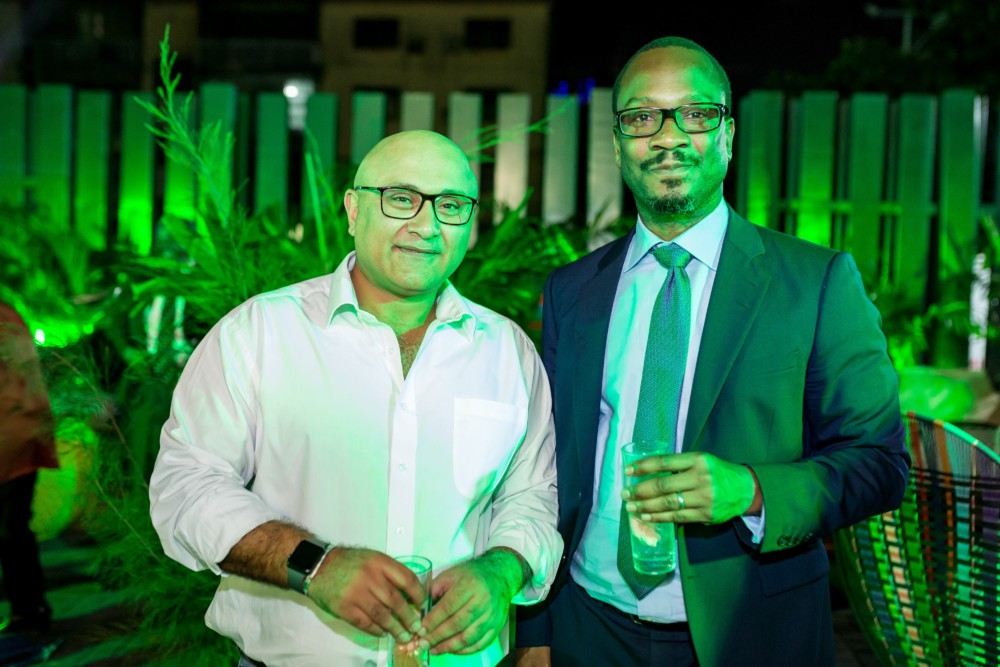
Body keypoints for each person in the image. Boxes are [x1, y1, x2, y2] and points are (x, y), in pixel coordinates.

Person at [514, 37, 909, 667]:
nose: (668, 136)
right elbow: (548, 468)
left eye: (695, 114)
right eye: (643, 116)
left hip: (752, 633)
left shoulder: (815, 283)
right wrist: (537, 628)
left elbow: (880, 464)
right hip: (588, 629)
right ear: (617, 143)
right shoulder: (572, 291)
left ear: (727, 133)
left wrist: (751, 490)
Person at [149, 130, 562, 667]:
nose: (427, 224)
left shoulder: (508, 352)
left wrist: (501, 571)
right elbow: (186, 486)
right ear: (352, 209)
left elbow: (532, 496)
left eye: (451, 205)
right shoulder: (259, 333)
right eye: (401, 198)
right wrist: (314, 566)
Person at [0, 301, 58, 636]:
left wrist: (37, 417)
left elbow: (29, 366)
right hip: (15, 430)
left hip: (13, 434)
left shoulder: (3, 315)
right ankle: (28, 610)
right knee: (11, 528)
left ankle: (30, 612)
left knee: (11, 529)